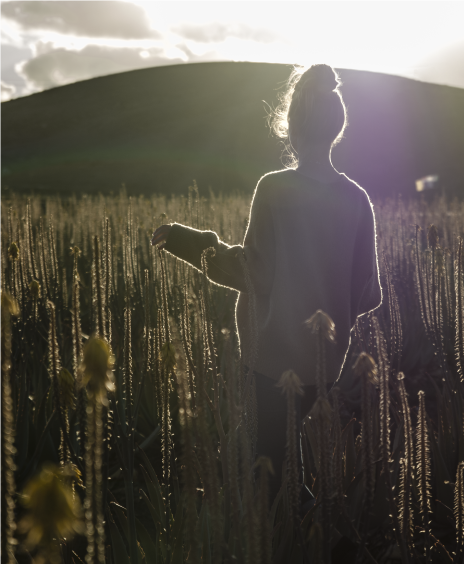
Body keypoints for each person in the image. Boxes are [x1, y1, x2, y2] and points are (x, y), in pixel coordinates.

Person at [151, 63, 381, 497]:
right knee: (287, 448)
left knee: (266, 467)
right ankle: (314, 527)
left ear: (291, 127)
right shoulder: (357, 200)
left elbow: (252, 271)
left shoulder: (275, 190)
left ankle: (292, 539)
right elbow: (368, 292)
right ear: (337, 127)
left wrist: (188, 242)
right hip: (324, 366)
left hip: (270, 361)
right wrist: (329, 302)